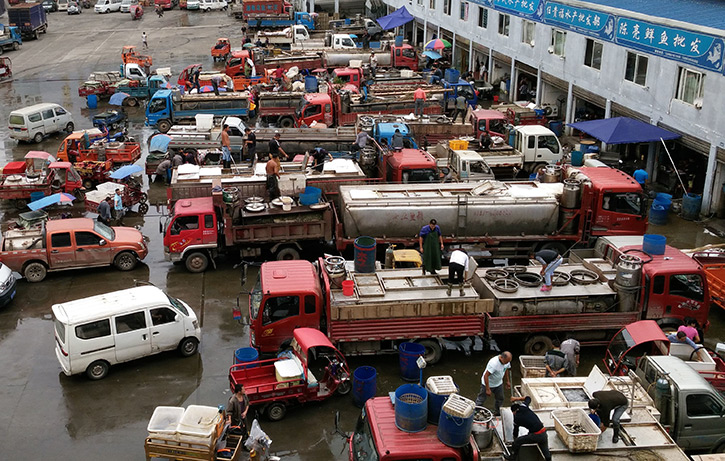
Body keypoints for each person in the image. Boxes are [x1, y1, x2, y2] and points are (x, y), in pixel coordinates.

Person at [506, 397, 551, 461]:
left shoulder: (517, 418)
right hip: (543, 432)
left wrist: (514, 440)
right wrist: (516, 399)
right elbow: (528, 398)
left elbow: (516, 432)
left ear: (513, 412)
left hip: (535, 435)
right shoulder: (524, 406)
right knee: (546, 453)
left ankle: (512, 458)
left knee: (517, 442)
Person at [474, 351, 512, 416]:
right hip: (488, 384)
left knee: (500, 398)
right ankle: (475, 411)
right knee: (481, 398)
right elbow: (486, 376)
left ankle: (497, 411)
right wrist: (487, 389)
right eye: (505, 362)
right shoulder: (494, 364)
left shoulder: (506, 362)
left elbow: (506, 369)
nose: (507, 363)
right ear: (501, 358)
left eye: (508, 362)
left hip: (498, 383)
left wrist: (507, 381)